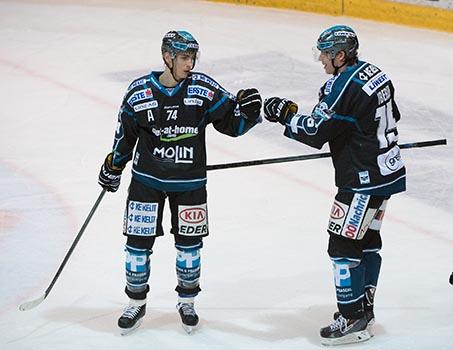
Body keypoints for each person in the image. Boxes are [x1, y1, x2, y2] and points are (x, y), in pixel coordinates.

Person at [98, 30, 262, 335]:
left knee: (190, 248)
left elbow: (232, 123)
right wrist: (114, 166)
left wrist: (250, 113)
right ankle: (135, 302)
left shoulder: (203, 89)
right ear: (167, 57)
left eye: (192, 58)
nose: (190, 64)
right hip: (146, 181)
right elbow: (126, 136)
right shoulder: (139, 93)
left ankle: (187, 302)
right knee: (137, 246)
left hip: (189, 183)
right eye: (184, 58)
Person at [263, 25, 406, 346]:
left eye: (325, 54)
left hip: (362, 180)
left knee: (341, 244)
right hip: (387, 173)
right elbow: (392, 115)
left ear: (341, 55)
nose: (321, 60)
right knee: (367, 240)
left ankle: (352, 317)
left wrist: (284, 116)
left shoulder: (343, 85)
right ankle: (364, 309)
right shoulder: (375, 73)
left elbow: (315, 131)